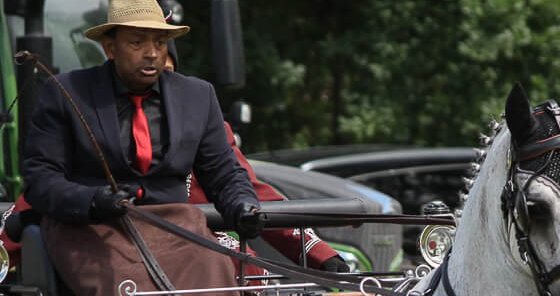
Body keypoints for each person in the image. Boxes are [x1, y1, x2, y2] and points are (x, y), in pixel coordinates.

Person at [21, 0, 262, 296]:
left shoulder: (198, 95)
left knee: (215, 277)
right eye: (137, 43)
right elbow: (40, 179)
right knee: (128, 292)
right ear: (110, 48)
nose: (152, 53)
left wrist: (243, 205)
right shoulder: (65, 92)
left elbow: (224, 173)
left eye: (160, 43)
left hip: (177, 226)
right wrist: (93, 201)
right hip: (91, 229)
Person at [0, 42, 349, 276]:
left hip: (192, 239)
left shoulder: (200, 122)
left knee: (248, 273)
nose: (152, 67)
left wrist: (321, 256)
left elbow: (246, 187)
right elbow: (42, 191)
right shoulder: (90, 125)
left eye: (165, 69)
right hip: (112, 243)